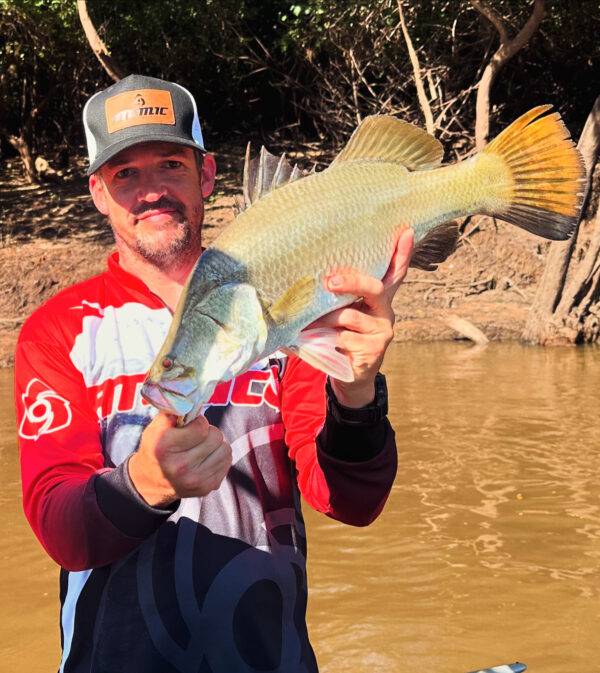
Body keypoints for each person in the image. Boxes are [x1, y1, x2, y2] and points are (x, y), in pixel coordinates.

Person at [14, 74, 414, 673]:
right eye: (126, 174)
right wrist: (144, 480)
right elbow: (59, 525)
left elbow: (350, 500)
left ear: (206, 175)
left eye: (171, 164)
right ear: (98, 192)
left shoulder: (291, 307)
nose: (151, 190)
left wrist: (356, 397)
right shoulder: (59, 330)